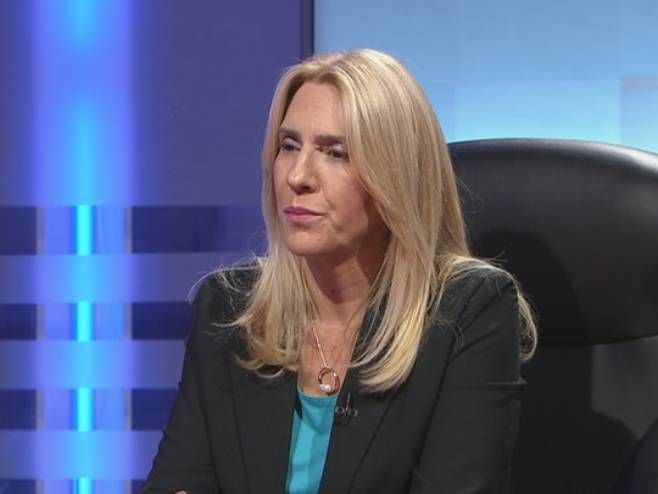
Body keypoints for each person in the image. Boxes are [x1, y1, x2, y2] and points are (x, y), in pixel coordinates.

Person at [141, 48, 537, 494]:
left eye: (335, 153)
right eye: (289, 146)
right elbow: (179, 479)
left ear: (396, 179)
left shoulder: (466, 312)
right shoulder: (230, 309)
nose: (298, 176)